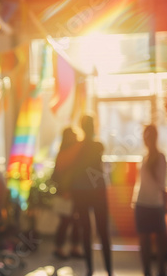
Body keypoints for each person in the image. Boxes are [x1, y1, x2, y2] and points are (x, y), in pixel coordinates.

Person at [71, 115, 112, 276]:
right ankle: (109, 270)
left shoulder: (76, 147)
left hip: (81, 193)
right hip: (97, 192)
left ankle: (90, 269)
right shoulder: (98, 146)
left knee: (86, 231)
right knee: (103, 231)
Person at [132, 125, 167, 276]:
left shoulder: (151, 158)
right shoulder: (153, 157)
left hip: (144, 204)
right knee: (159, 243)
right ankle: (160, 272)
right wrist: (166, 205)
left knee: (146, 243)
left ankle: (149, 272)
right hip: (153, 204)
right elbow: (162, 184)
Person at [51, 127, 82, 259]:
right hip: (65, 195)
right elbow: (56, 176)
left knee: (75, 222)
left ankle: (74, 248)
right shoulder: (64, 154)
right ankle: (59, 248)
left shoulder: (73, 153)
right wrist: (64, 191)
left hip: (74, 194)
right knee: (65, 222)